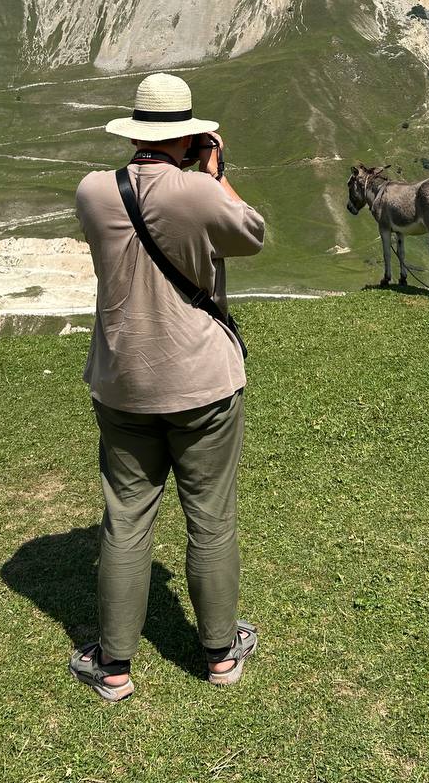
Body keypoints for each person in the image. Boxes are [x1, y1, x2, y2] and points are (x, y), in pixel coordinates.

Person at [69, 72, 265, 702]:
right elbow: (252, 233)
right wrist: (213, 170)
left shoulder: (93, 192)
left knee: (126, 519)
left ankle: (115, 666)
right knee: (210, 518)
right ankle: (219, 655)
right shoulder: (198, 192)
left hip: (123, 379)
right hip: (202, 379)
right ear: (189, 134)